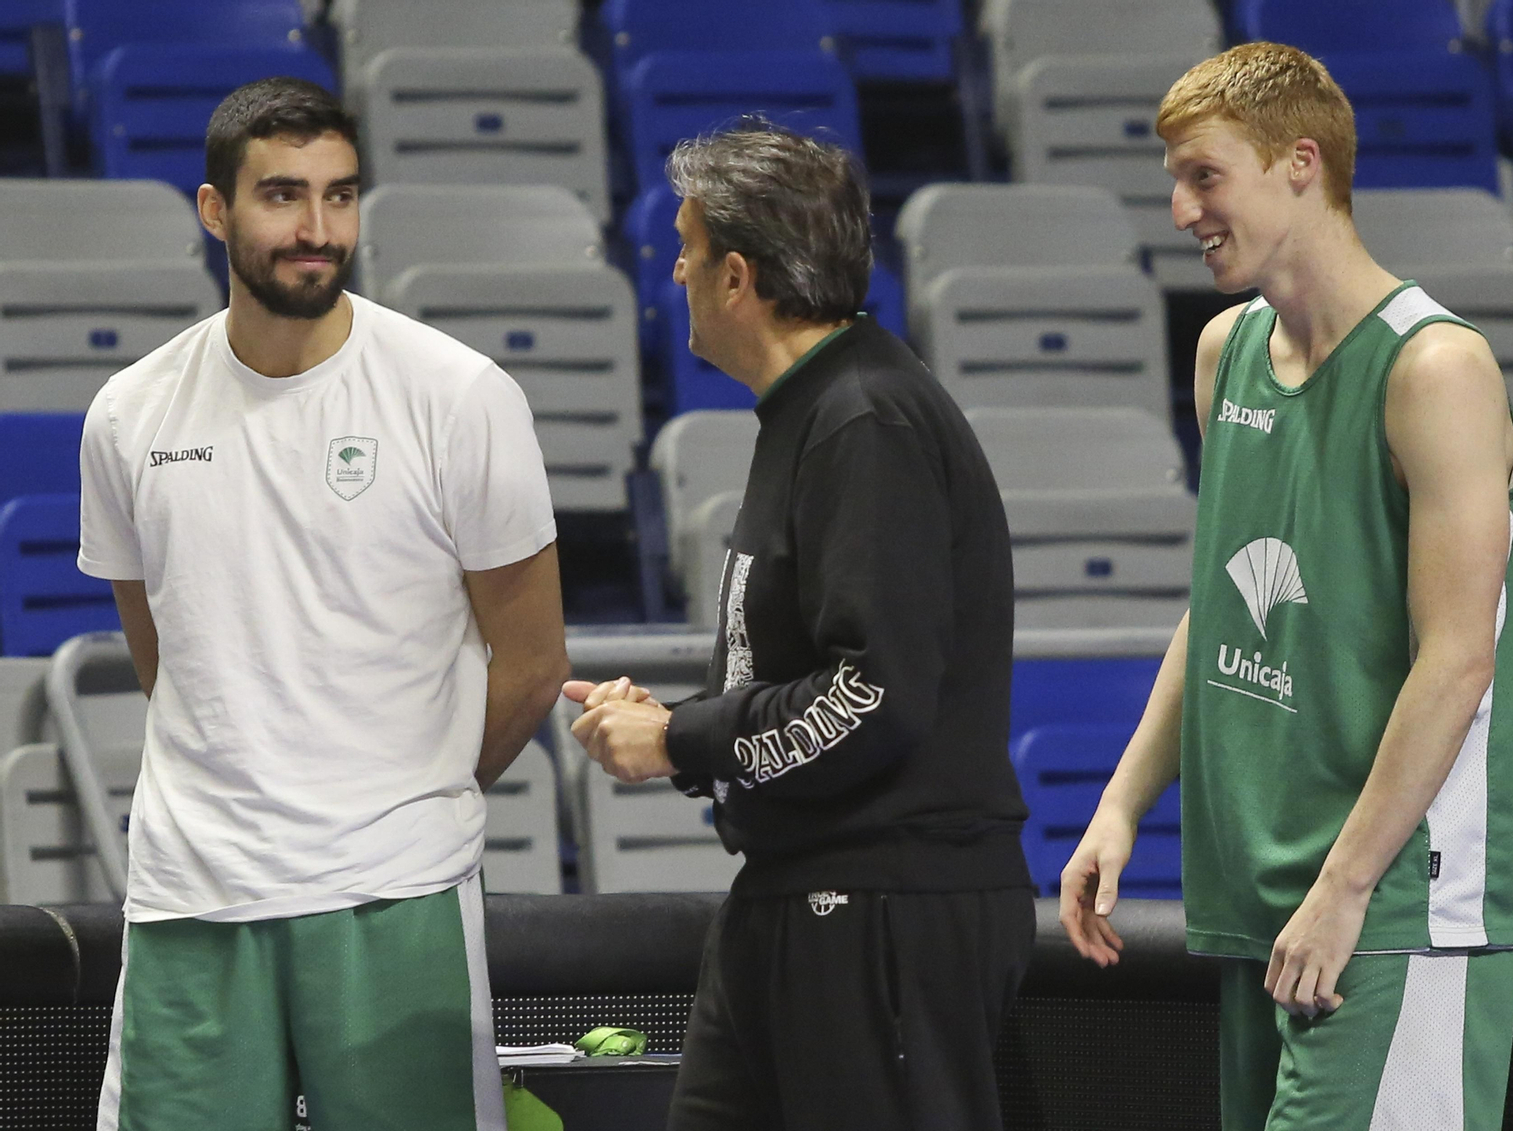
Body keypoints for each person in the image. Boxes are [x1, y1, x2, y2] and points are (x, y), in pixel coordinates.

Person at [79, 77, 568, 1131]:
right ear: (215, 211)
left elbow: (530, 664)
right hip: (192, 895)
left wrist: (404, 794)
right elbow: (167, 655)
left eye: (340, 197)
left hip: (396, 893)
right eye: (283, 196)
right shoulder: (127, 413)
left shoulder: (459, 395)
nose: (316, 229)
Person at [1057, 43, 1513, 1129]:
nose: (1180, 209)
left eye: (1203, 175)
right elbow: (1220, 605)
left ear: (1299, 164)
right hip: (1264, 905)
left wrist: (1348, 886)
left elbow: (1454, 661)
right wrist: (1121, 806)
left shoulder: (1434, 368)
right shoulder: (1227, 349)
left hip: (1392, 904)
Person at [565, 123, 1036, 1131]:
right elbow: (814, 675)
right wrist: (677, 729)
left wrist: (679, 739)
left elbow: (873, 696)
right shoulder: (815, 412)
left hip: (881, 912)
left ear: (737, 278)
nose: (674, 280)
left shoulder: (867, 421)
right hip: (799, 897)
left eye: (685, 258)